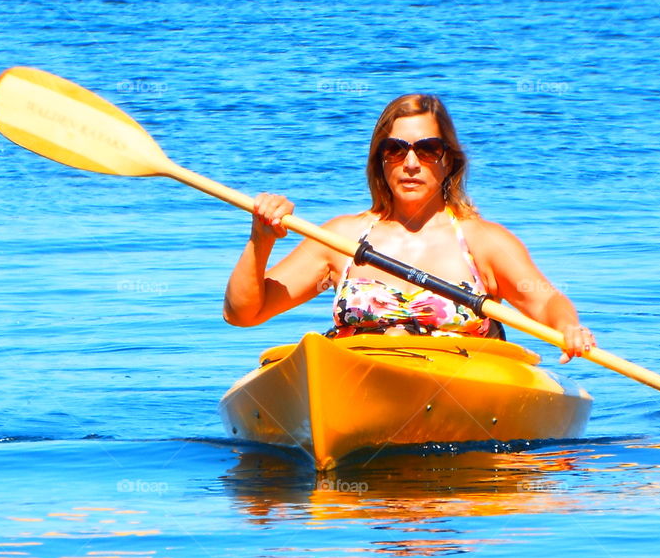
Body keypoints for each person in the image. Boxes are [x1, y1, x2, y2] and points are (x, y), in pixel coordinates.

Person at [223, 94, 596, 363]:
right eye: (396, 150)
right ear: (381, 161)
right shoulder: (339, 239)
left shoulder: (483, 242)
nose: (412, 163)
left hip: (457, 383)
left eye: (428, 149)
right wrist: (261, 239)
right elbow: (243, 314)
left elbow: (544, 300)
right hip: (357, 375)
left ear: (448, 162)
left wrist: (568, 327)